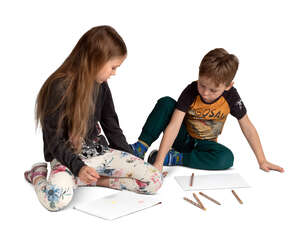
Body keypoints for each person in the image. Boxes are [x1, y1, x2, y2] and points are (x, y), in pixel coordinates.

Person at [24, 26, 163, 212]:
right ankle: (38, 175)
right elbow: (54, 141)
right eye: (113, 67)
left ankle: (93, 181)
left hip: (98, 153)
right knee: (55, 201)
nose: (114, 73)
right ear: (95, 60)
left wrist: (130, 158)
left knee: (154, 180)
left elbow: (111, 126)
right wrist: (78, 167)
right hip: (67, 158)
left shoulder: (101, 85)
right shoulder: (58, 87)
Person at [131, 48, 284, 174]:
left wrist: (262, 160)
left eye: (213, 90)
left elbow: (247, 127)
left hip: (205, 146)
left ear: (228, 86)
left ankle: (175, 158)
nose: (205, 93)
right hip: (183, 138)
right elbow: (174, 125)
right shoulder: (191, 91)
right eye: (202, 85)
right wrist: (158, 163)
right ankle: (141, 147)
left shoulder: (231, 97)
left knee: (226, 158)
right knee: (166, 103)